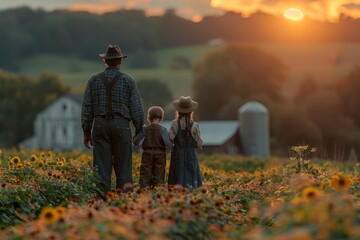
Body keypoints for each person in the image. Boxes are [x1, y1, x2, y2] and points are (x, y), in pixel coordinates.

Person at [81, 44, 144, 194]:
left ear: (105, 61)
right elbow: (136, 109)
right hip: (122, 126)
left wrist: (86, 132)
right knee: (124, 170)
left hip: (99, 126)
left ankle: (102, 203)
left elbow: (86, 109)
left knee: (102, 170)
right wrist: (139, 130)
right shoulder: (129, 81)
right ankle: (122, 205)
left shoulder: (93, 80)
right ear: (120, 61)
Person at [168, 96, 203, 189]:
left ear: (178, 111)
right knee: (191, 180)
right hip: (191, 155)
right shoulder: (195, 125)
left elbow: (170, 138)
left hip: (177, 155)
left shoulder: (174, 123)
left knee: (177, 178)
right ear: (191, 112)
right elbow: (199, 143)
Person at [133, 106, 172, 189]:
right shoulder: (163, 130)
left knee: (145, 174)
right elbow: (169, 144)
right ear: (161, 117)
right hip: (160, 154)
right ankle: (157, 193)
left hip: (147, 153)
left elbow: (136, 142)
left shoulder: (145, 129)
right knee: (159, 174)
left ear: (149, 117)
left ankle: (144, 192)